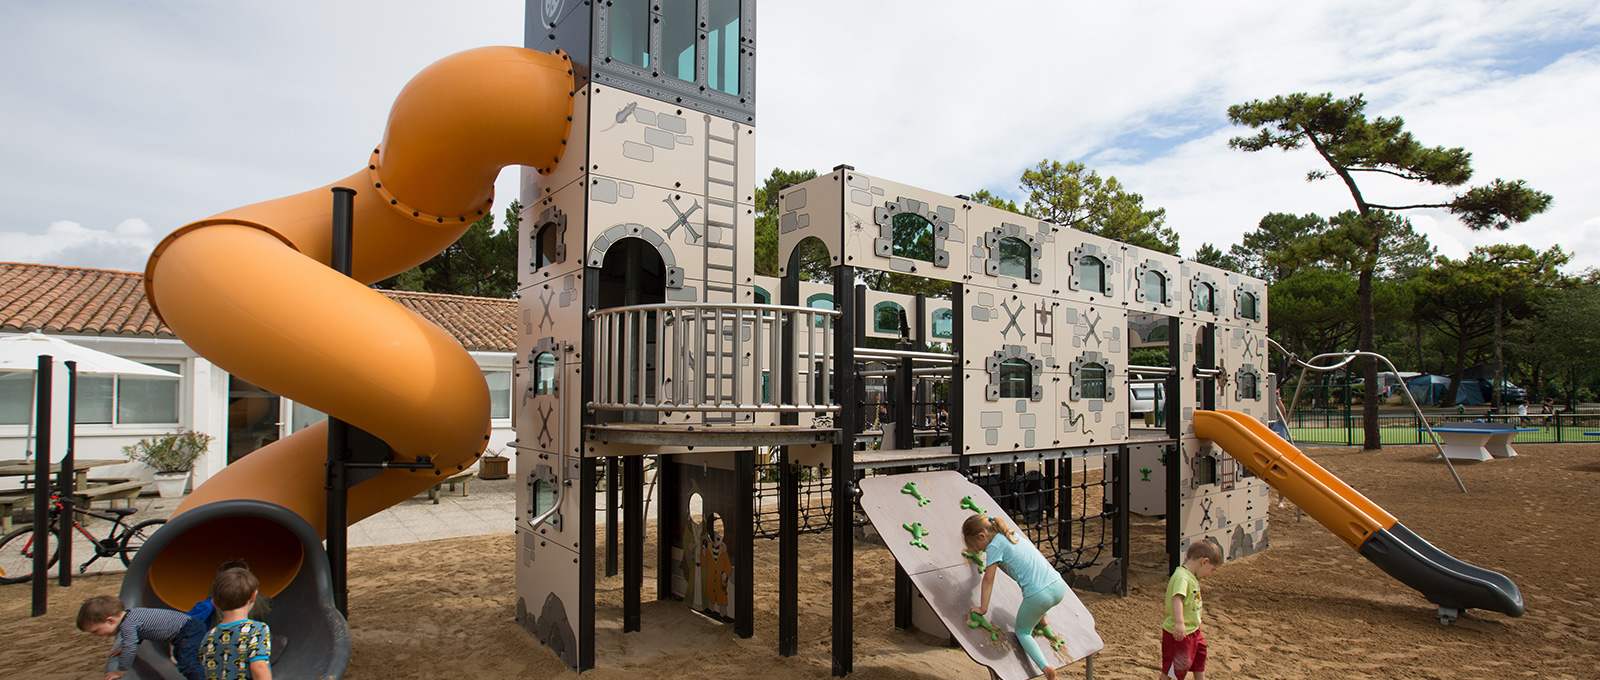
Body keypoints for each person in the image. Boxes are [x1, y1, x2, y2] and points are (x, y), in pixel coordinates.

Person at [963, 513, 1066, 680]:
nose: (981, 550)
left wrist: (983, 608)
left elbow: (988, 580)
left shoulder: (994, 547)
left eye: (977, 545)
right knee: (1038, 592)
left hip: (1039, 596)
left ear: (982, 535)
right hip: (1058, 586)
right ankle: (1042, 618)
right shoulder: (1010, 534)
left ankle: (1045, 667)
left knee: (1022, 631)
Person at [77, 594, 207, 680]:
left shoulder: (127, 626)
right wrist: (124, 647)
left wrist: (120, 671)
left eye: (96, 631)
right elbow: (141, 631)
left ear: (110, 620)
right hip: (188, 627)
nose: (96, 635)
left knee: (188, 663)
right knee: (184, 659)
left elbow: (130, 648)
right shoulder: (131, 615)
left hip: (188, 630)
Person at [1161, 540, 1223, 680]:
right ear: (1204, 562)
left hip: (1194, 631)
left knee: (1199, 658)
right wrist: (1180, 623)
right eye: (1211, 569)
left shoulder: (1191, 577)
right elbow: (1177, 598)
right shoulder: (1182, 577)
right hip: (1180, 634)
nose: (1209, 574)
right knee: (1175, 668)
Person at [202, 567, 273, 680]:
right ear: (253, 597)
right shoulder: (257, 630)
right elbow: (259, 667)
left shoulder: (208, 637)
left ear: (216, 603)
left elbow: (207, 672)